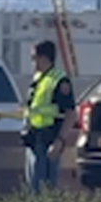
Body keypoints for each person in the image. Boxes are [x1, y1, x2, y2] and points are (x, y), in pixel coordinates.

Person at [23, 40, 76, 192]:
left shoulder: (59, 81)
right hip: (34, 139)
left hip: (48, 141)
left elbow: (71, 114)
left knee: (44, 188)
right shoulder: (38, 79)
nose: (33, 62)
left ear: (44, 58)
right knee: (33, 187)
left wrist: (59, 141)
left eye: (34, 58)